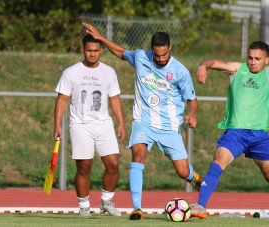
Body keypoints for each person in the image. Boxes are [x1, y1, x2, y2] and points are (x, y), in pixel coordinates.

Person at [189, 4, 269, 223]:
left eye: (257, 59)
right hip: (235, 132)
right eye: (250, 57)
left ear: (266, 60)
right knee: (218, 160)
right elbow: (212, 62)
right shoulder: (237, 69)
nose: (252, 62)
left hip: (259, 135)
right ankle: (200, 205)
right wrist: (203, 65)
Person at [82, 23, 203, 220]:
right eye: (157, 55)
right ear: (152, 50)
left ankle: (200, 184)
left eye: (164, 55)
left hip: (169, 126)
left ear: (170, 48)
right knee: (138, 157)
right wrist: (102, 38)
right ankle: (137, 208)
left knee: (182, 171)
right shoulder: (141, 57)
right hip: (143, 122)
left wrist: (192, 114)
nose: (161, 59)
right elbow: (121, 52)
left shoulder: (180, 71)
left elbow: (192, 99)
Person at [54, 34, 126, 217]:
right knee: (84, 167)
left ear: (101, 51)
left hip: (103, 123)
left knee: (113, 164)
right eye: (89, 50)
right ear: (82, 50)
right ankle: (84, 206)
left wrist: (121, 123)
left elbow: (115, 99)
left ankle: (106, 201)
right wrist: (57, 124)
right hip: (80, 124)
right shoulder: (71, 72)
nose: (92, 54)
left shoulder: (109, 72)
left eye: (96, 51)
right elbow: (62, 100)